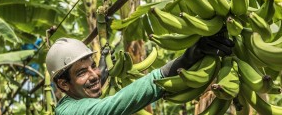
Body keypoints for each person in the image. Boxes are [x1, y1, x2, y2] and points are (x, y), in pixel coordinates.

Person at [45, 33, 234, 115]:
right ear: (63, 84)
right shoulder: (70, 111)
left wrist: (102, 67)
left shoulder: (78, 93)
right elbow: (112, 105)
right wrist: (185, 60)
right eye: (82, 72)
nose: (94, 75)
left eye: (92, 66)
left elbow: (97, 77)